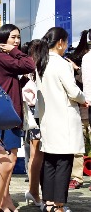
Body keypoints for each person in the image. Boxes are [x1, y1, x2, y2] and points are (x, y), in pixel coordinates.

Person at [35, 27, 88, 212]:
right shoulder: (62, 63)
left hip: (48, 119)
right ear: (60, 43)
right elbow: (73, 91)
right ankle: (59, 206)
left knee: (49, 162)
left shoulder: (41, 62)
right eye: (65, 43)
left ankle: (48, 203)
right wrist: (84, 99)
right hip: (64, 119)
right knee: (64, 163)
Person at [0, 24, 35, 211]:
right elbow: (30, 64)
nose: (16, 41)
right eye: (12, 37)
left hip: (9, 114)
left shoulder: (4, 58)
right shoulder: (1, 57)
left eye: (18, 38)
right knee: (7, 161)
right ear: (3, 38)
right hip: (6, 115)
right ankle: (3, 200)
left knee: (8, 161)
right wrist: (16, 51)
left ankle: (4, 199)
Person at [66, 29, 91, 190]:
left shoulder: (85, 58)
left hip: (84, 105)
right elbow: (84, 80)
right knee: (78, 142)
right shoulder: (86, 58)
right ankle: (76, 176)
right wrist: (77, 70)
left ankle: (76, 177)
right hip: (82, 107)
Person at [21, 39, 44, 206]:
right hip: (37, 116)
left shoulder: (26, 69)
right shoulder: (37, 70)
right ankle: (34, 192)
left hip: (29, 117)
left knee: (34, 155)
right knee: (37, 155)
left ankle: (33, 191)